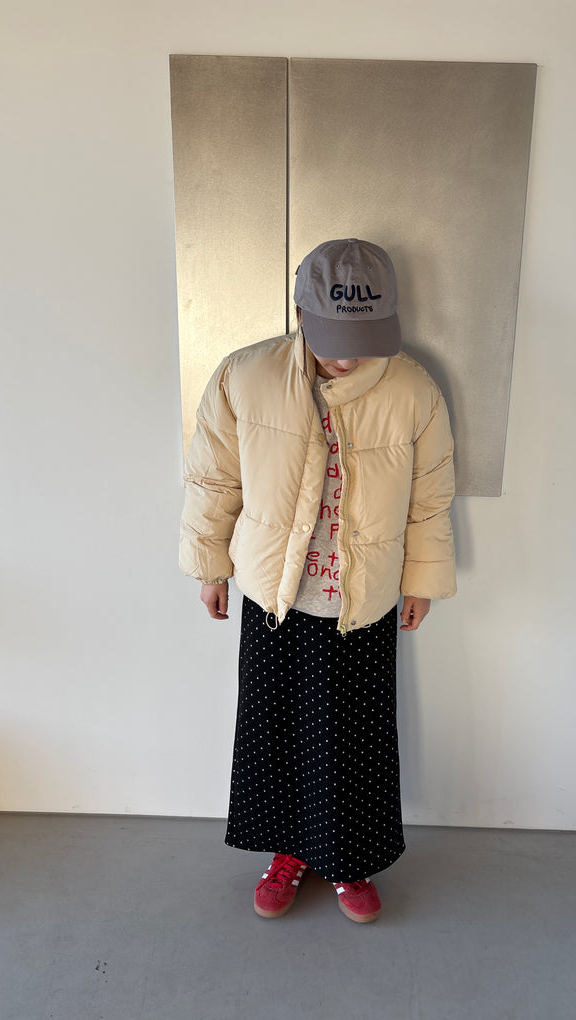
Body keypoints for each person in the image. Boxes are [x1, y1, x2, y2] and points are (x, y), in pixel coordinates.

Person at [180, 237, 456, 923]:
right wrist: (211, 564)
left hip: (364, 597)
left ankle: (347, 857)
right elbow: (214, 479)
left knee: (354, 739)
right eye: (334, 339)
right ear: (301, 313)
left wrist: (422, 579)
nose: (347, 357)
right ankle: (288, 851)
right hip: (273, 593)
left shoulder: (413, 390)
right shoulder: (244, 377)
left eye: (363, 340)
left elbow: (429, 497)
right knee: (275, 730)